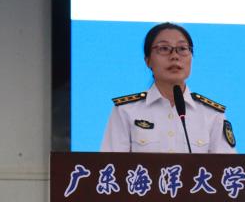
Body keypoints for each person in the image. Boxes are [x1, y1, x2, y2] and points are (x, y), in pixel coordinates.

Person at [100, 22, 237, 154]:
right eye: (164, 49)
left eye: (182, 49)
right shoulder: (125, 111)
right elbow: (110, 166)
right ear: (148, 60)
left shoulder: (212, 115)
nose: (175, 56)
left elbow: (227, 168)